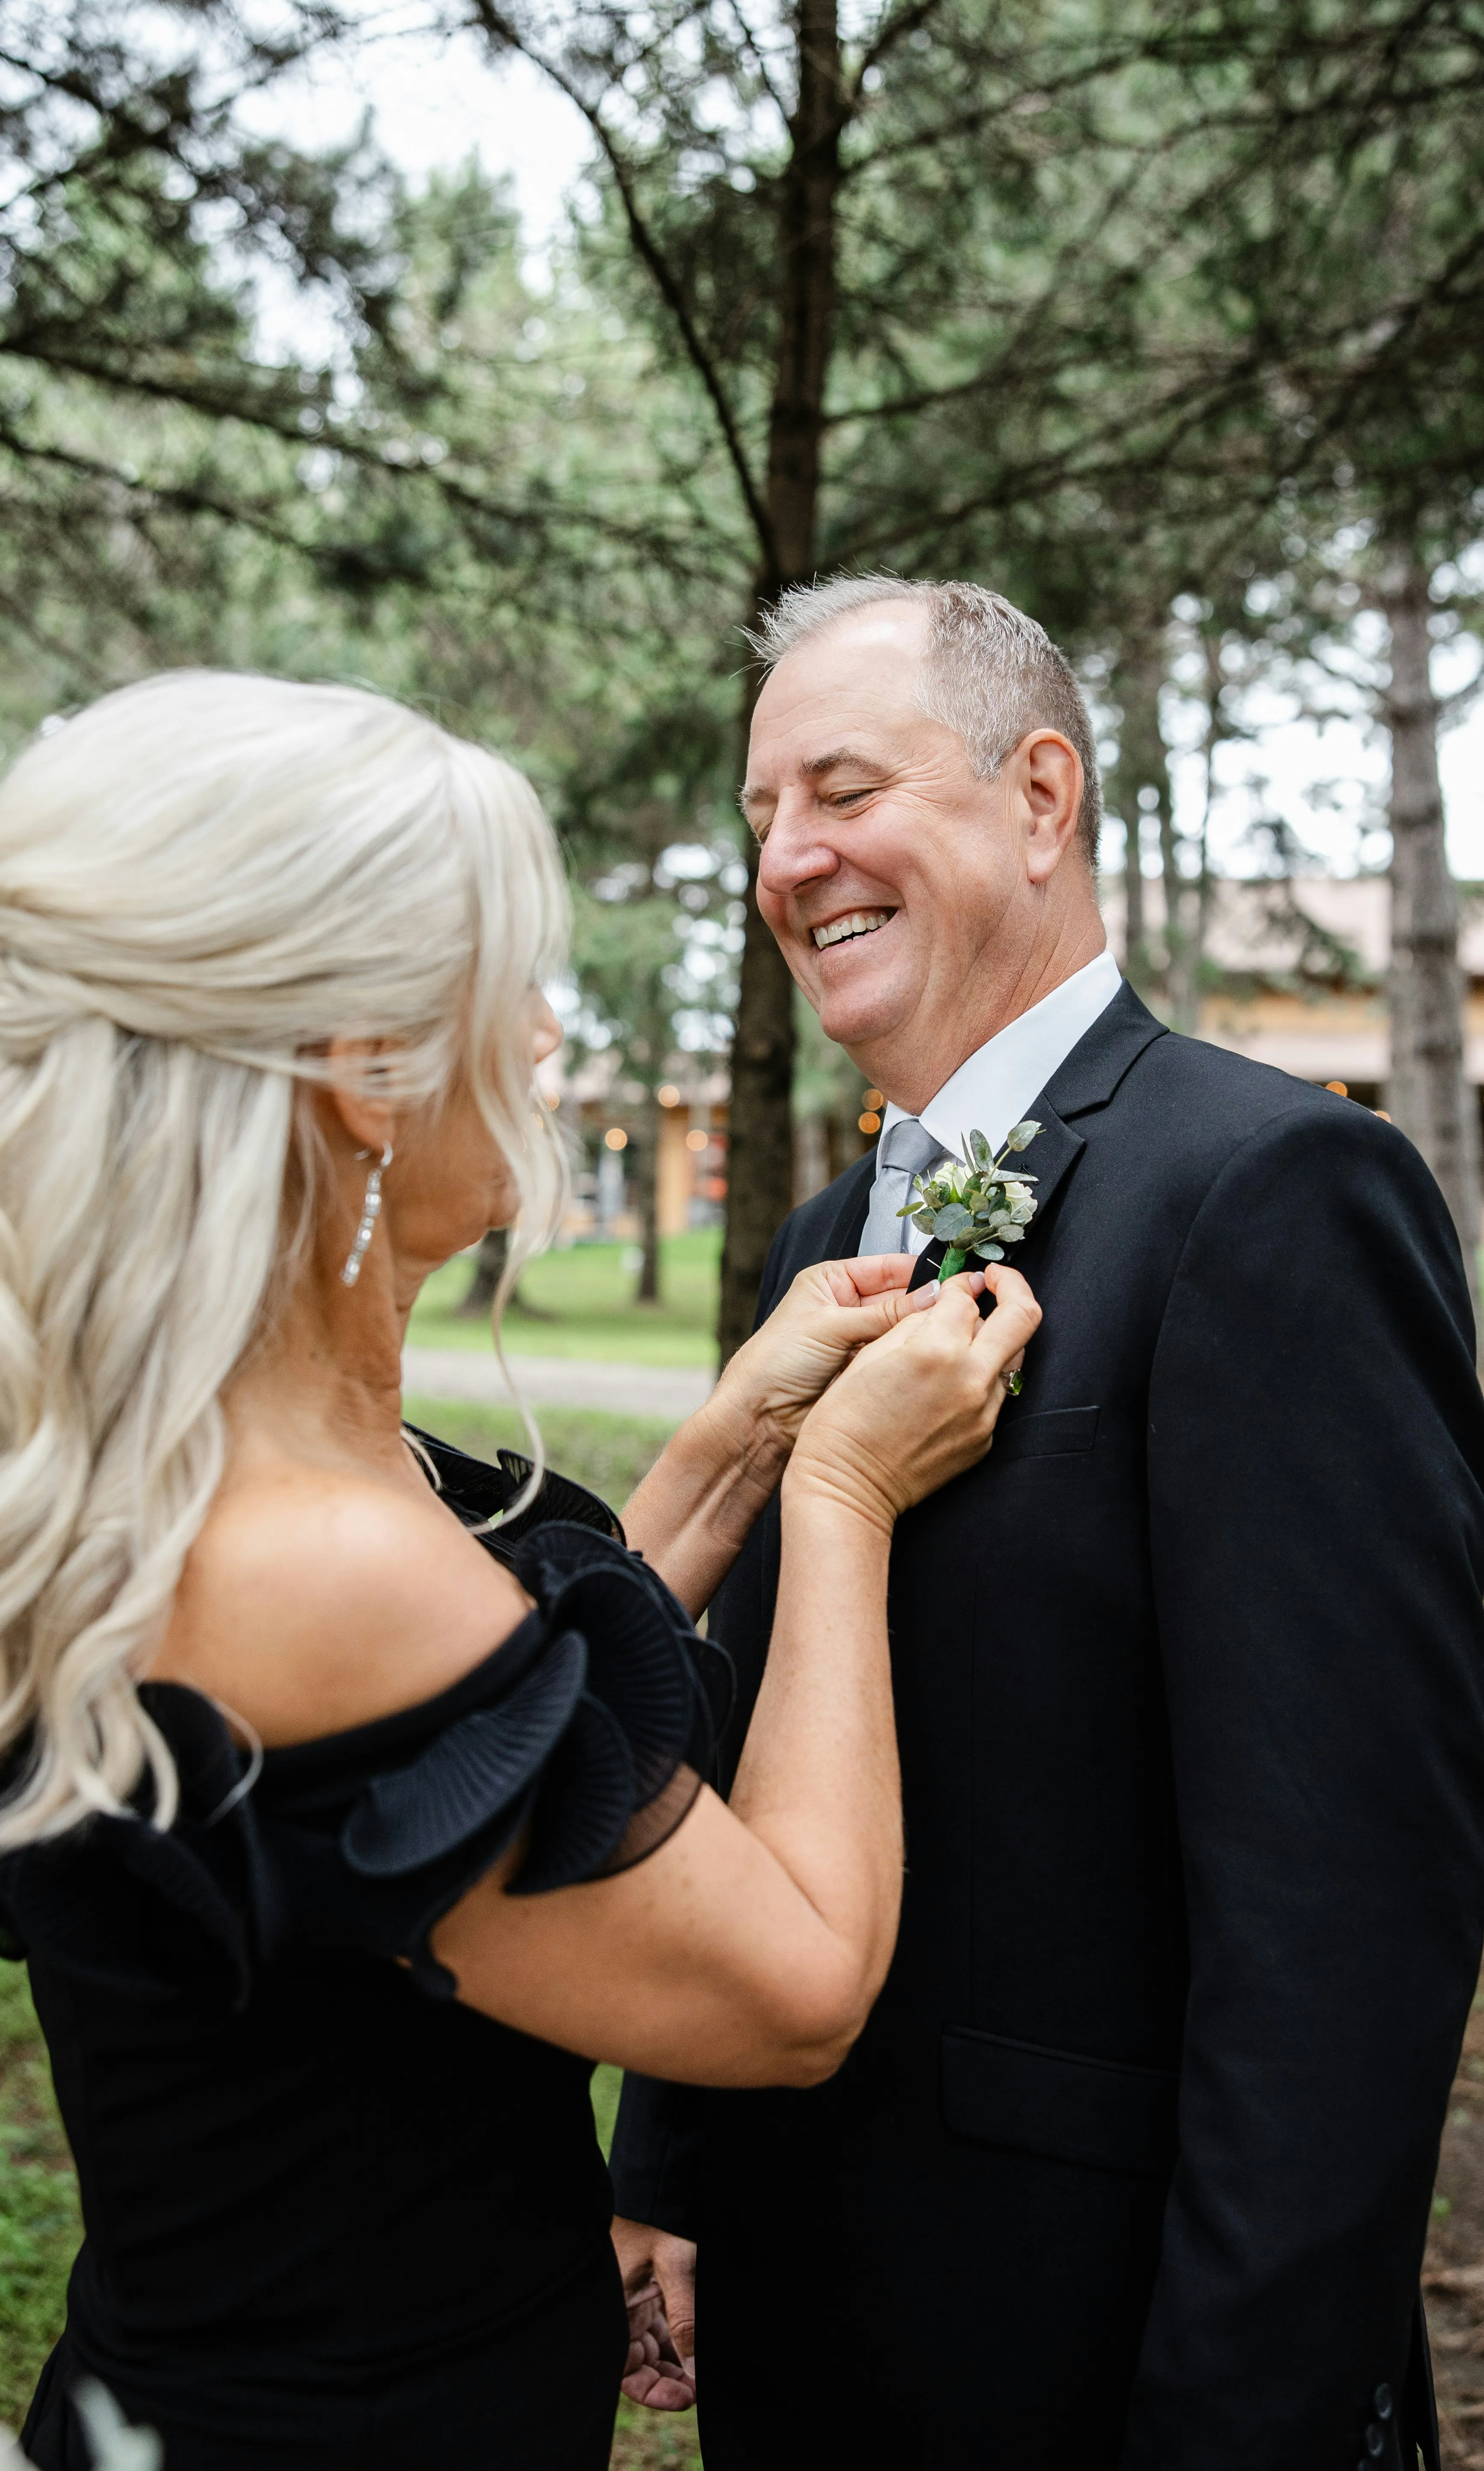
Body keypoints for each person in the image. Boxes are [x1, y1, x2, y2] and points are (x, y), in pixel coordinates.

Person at [0, 670, 1040, 2471]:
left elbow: (459, 1777)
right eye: (513, 984)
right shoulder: (315, 1558)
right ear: (361, 1062)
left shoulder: (172, 1471)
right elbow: (790, 1982)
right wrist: (851, 1495)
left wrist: (722, 1454)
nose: (549, 1039)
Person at [610, 577, 1484, 2470]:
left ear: (1039, 796)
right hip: (803, 2297)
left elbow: (1346, 1923)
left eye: (841, 788)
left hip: (1094, 2335)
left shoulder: (1271, 1193)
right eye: (763, 814)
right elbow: (752, 1687)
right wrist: (679, 2156)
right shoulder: (815, 1246)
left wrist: (1238, 2414)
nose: (789, 859)